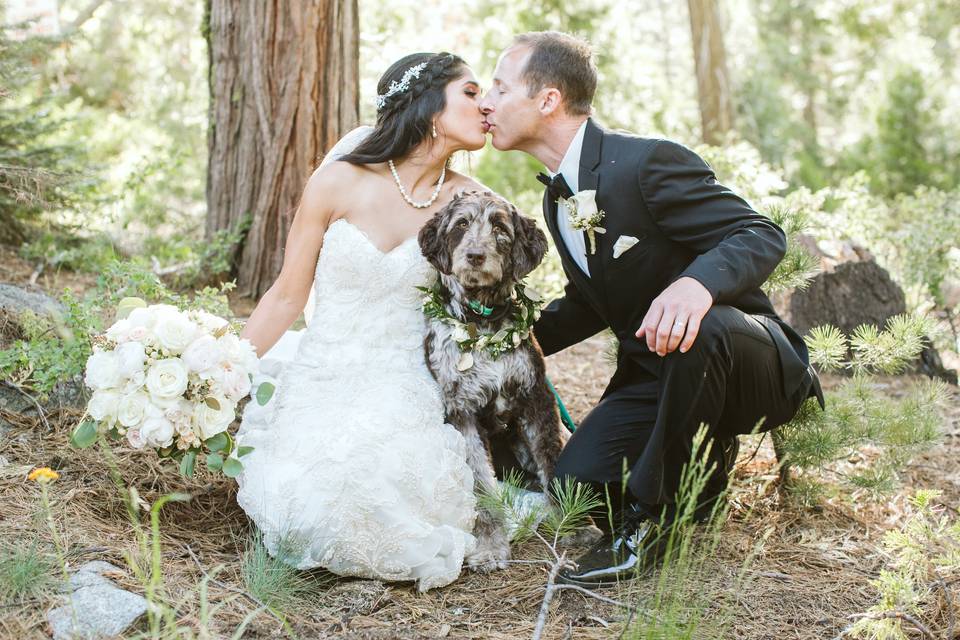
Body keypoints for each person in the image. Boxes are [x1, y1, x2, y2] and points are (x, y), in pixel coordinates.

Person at [479, 31, 824, 587]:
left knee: (701, 324)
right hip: (657, 377)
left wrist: (696, 285)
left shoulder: (646, 163)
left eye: (499, 87)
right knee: (575, 488)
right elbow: (592, 303)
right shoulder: (557, 198)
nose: (485, 103)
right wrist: (505, 335)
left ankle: (653, 523)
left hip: (749, 363)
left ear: (548, 100)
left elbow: (760, 234)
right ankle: (699, 478)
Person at [235, 52, 492, 592]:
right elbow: (286, 296)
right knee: (313, 492)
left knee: (385, 482)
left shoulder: (473, 202)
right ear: (426, 104)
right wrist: (221, 374)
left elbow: (503, 301)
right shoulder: (337, 183)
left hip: (408, 379)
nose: (485, 104)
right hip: (323, 373)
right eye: (470, 93)